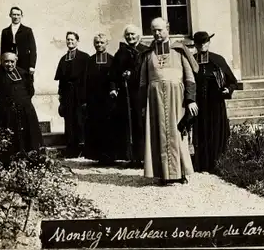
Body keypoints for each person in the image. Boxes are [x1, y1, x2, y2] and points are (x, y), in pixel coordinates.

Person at [139, 17, 199, 185]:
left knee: (178, 134)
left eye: (160, 29)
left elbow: (190, 78)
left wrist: (190, 100)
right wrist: (143, 105)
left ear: (168, 29)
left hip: (177, 100)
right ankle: (163, 175)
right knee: (157, 134)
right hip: (154, 101)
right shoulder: (148, 54)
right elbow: (143, 82)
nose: (157, 33)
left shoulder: (179, 51)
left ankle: (181, 173)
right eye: (153, 30)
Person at [0, 52, 43, 157]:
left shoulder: (22, 73)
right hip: (4, 115)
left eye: (12, 61)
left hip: (25, 112)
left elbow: (30, 91)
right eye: (6, 61)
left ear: (16, 61)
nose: (9, 64)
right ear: (1, 61)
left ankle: (30, 158)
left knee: (28, 139)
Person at [191, 31, 238, 173]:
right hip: (199, 103)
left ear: (209, 43)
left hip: (215, 102)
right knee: (201, 132)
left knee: (215, 131)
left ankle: (217, 164)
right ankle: (201, 164)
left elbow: (233, 81)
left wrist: (228, 90)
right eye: (199, 43)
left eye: (205, 42)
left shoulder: (218, 60)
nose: (202, 46)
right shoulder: (191, 60)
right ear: (195, 45)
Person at [109, 24, 149, 167]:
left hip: (142, 93)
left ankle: (145, 157)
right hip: (126, 94)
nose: (130, 37)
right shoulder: (121, 53)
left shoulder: (145, 51)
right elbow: (113, 73)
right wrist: (114, 87)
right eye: (127, 35)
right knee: (128, 124)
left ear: (138, 35)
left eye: (132, 34)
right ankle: (132, 157)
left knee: (141, 123)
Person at [54, 31, 90, 158]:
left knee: (80, 120)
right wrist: (60, 95)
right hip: (68, 93)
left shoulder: (84, 57)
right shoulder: (63, 59)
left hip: (80, 93)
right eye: (68, 40)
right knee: (69, 120)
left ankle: (83, 147)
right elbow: (61, 81)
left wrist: (85, 95)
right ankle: (71, 147)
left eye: (72, 40)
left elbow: (87, 78)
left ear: (77, 41)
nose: (70, 42)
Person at [82, 33, 115, 164]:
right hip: (93, 100)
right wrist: (84, 99)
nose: (99, 45)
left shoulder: (112, 60)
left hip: (108, 99)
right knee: (95, 127)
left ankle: (110, 157)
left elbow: (114, 78)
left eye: (102, 42)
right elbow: (84, 81)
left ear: (106, 43)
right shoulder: (89, 61)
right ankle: (98, 157)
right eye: (97, 42)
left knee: (109, 127)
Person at [0, 7, 37, 77]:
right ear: (10, 15)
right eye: (14, 14)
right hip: (10, 63)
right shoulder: (5, 31)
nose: (16, 17)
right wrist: (2, 64)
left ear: (21, 16)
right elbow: (3, 50)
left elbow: (33, 49)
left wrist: (32, 66)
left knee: (27, 84)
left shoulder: (27, 31)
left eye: (18, 15)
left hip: (25, 63)